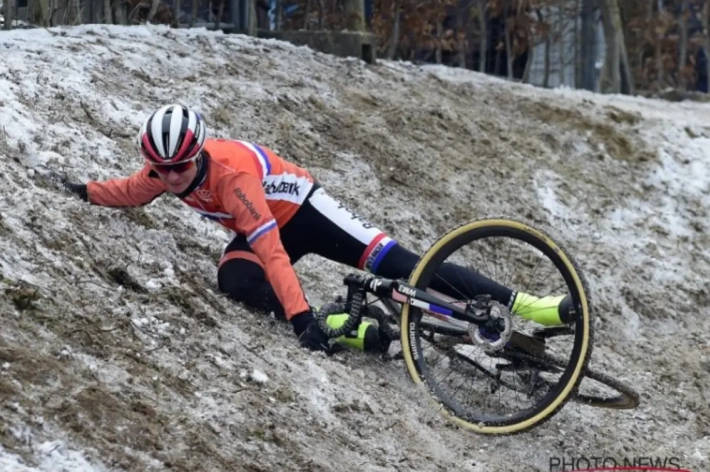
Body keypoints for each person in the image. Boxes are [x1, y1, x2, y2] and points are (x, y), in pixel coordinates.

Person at [60, 104, 573, 355]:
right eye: (162, 168)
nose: (171, 177)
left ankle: (533, 305)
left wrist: (298, 315)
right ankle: (350, 329)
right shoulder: (162, 172)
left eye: (181, 167)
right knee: (235, 281)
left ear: (198, 153)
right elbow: (130, 190)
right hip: (266, 229)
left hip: (305, 213)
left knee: (408, 268)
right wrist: (82, 191)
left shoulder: (231, 177)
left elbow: (272, 248)